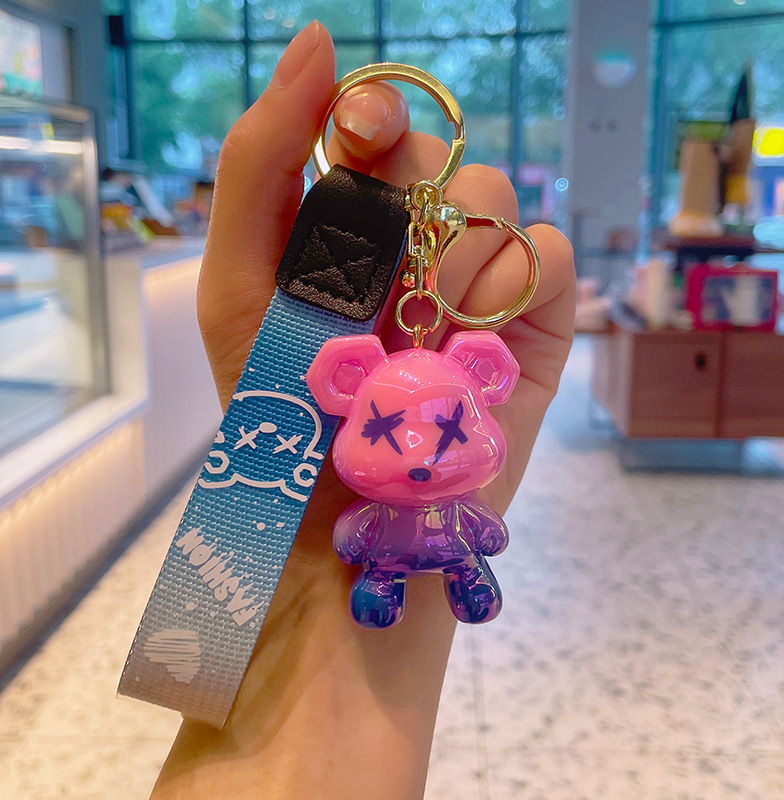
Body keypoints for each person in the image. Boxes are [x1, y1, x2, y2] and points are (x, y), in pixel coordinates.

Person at [150, 21, 575, 800]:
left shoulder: (458, 476)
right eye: (383, 430)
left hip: (436, 553)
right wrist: (310, 562)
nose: (420, 456)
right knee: (388, 569)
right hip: (342, 552)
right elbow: (351, 533)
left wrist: (477, 534)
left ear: (486, 381)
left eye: (448, 429)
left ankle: (449, 588)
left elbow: (485, 529)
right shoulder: (349, 456)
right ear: (343, 385)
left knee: (463, 561)